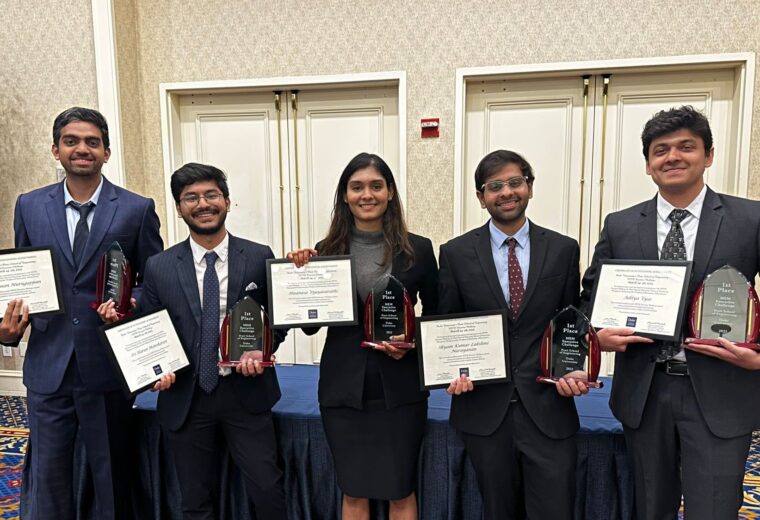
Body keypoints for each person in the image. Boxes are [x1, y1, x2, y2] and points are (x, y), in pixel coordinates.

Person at [581, 105, 760, 519]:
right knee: (651, 507)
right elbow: (592, 297)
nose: (672, 157)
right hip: (645, 392)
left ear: (709, 155)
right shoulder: (621, 225)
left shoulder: (749, 218)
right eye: (660, 150)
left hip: (720, 391)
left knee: (713, 510)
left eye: (686, 147)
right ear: (648, 165)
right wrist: (597, 335)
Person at [0, 107, 163, 519]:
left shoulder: (136, 208)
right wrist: (8, 329)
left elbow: (154, 279)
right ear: (56, 150)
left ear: (107, 152)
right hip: (49, 365)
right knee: (49, 476)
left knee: (111, 478)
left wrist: (129, 304)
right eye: (71, 141)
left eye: (92, 142)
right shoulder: (29, 206)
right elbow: (23, 275)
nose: (82, 149)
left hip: (108, 364)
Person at [100, 162, 287, 519]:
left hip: (246, 395)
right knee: (195, 500)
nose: (203, 204)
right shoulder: (159, 266)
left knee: (267, 492)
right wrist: (157, 369)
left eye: (211, 195)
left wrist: (262, 348)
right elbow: (153, 328)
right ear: (179, 207)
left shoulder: (259, 255)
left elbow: (276, 320)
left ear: (227, 202)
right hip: (185, 397)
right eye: (191, 197)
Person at [287, 152, 438, 520]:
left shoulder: (418, 248)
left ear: (389, 193)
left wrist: (410, 341)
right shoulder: (323, 251)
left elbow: (437, 316)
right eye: (356, 187)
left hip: (400, 386)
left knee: (401, 489)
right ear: (344, 195)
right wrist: (299, 277)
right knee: (353, 490)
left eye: (375, 186)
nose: (366, 194)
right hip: (343, 387)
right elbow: (308, 324)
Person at [439, 149, 581, 520]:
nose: (506, 192)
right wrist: (449, 370)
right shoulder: (455, 253)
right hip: (485, 410)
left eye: (515, 182)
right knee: (498, 510)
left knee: (555, 511)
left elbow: (571, 322)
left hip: (548, 406)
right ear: (480, 197)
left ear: (530, 187)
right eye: (494, 186)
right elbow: (447, 322)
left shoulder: (563, 250)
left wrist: (573, 367)